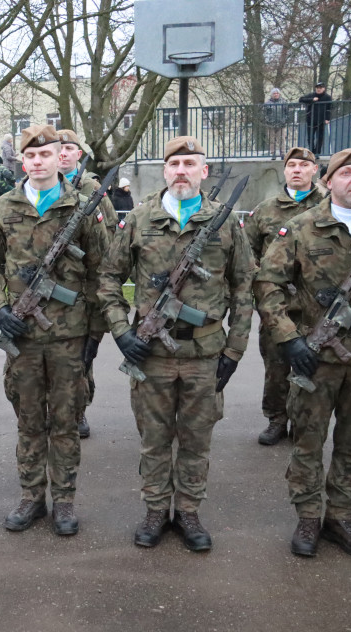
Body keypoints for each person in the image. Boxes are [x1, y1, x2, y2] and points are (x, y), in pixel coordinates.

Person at [98, 136, 255, 552]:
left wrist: (235, 350)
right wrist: (122, 332)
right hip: (151, 356)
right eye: (175, 164)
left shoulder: (223, 222)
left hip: (205, 354)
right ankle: (154, 509)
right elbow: (108, 279)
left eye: (190, 163)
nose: (181, 170)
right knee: (153, 437)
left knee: (196, 438)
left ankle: (187, 510)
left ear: (204, 171)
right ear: (164, 171)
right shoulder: (139, 218)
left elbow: (244, 287)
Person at [255, 148, 351, 559]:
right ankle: (308, 516)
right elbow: (267, 284)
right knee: (306, 441)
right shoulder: (302, 228)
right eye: (348, 173)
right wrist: (289, 339)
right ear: (330, 179)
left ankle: (341, 516)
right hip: (315, 359)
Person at [0, 124, 109, 535]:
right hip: (22, 335)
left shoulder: (83, 207)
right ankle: (31, 497)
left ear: (61, 157)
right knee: (29, 419)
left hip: (69, 337)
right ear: (23, 161)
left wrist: (94, 333)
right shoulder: (5, 206)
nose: (38, 162)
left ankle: (66, 501)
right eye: (30, 156)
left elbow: (102, 272)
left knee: (66, 422)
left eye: (46, 155)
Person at [244, 147, 327, 446]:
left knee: (313, 368)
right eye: (291, 165)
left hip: (317, 309)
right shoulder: (265, 210)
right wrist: (263, 279)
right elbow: (246, 253)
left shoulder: (329, 206)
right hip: (276, 307)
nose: (297, 170)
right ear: (285, 170)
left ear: (314, 170)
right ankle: (277, 419)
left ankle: (303, 422)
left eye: (304, 165)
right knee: (276, 369)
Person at [56, 128, 118, 438]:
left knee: (81, 358)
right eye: (60, 148)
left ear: (78, 154)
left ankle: (79, 411)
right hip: (48, 288)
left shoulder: (93, 188)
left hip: (80, 290)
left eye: (69, 148)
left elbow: (107, 237)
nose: (63, 153)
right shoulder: (41, 188)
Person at [298, 83, 332, 156]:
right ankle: (311, 151)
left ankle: (317, 152)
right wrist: (312, 100)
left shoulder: (327, 97)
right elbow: (301, 99)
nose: (318, 89)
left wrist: (327, 118)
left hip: (321, 120)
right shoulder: (311, 95)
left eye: (320, 88)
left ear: (324, 88)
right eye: (317, 88)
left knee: (320, 137)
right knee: (310, 137)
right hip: (311, 120)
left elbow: (329, 108)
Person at [263, 88, 289, 159]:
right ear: (272, 95)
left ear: (279, 94)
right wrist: (268, 120)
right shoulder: (268, 103)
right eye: (274, 93)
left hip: (281, 124)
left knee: (282, 139)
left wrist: (284, 120)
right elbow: (264, 114)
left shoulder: (283, 102)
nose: (276, 94)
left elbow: (287, 113)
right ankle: (273, 153)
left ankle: (282, 153)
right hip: (271, 124)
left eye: (277, 93)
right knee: (272, 139)